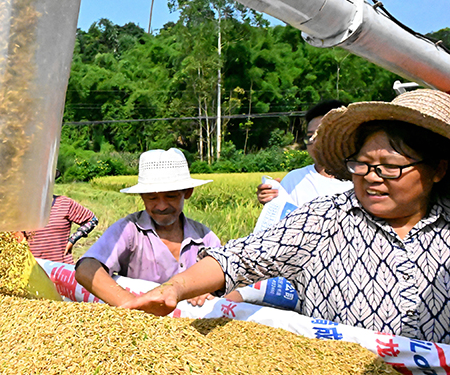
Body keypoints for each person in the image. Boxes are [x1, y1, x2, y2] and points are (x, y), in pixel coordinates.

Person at [123, 89, 450, 345]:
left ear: (437, 169)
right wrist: (175, 287)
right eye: (362, 164)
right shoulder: (325, 219)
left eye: (391, 167)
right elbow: (240, 257)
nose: (372, 176)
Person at [75, 148, 221, 306]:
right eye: (152, 198)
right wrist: (133, 304)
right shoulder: (130, 230)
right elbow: (86, 268)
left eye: (171, 196)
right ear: (142, 197)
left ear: (187, 192)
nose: (162, 206)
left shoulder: (204, 237)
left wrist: (207, 288)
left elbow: (227, 276)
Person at [257, 100, 352, 206]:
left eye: (320, 134)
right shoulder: (293, 180)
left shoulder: (360, 180)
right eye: (310, 135)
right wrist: (271, 200)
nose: (313, 141)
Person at [26, 194, 98, 264]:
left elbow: (92, 220)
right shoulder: (21, 207)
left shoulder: (64, 203)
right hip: (32, 269)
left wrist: (73, 239)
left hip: (61, 267)